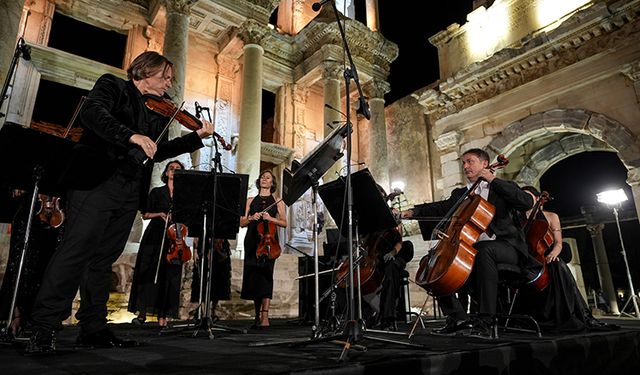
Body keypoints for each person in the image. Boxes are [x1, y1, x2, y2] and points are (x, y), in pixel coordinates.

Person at [26, 51, 215, 354]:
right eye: (165, 76)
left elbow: (158, 151)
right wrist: (131, 136)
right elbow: (94, 114)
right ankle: (43, 326)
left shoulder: (155, 111)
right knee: (74, 253)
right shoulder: (113, 86)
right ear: (142, 71)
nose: (170, 83)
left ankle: (93, 328)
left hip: (129, 190)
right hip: (97, 183)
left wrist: (195, 138)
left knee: (103, 261)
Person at [401, 148, 536, 336]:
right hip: (473, 248)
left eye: (470, 161)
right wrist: (413, 212)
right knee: (430, 266)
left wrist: (492, 180)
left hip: (507, 247)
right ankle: (457, 317)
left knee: (483, 250)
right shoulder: (461, 194)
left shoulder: (503, 187)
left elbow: (526, 203)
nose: (465, 166)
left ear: (485, 164)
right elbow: (440, 207)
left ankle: (486, 320)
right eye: (463, 162)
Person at [519, 186, 615, 332]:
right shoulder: (517, 218)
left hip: (546, 257)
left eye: (528, 196)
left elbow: (558, 243)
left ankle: (562, 315)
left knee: (557, 266)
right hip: (526, 259)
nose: (524, 199)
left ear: (538, 199)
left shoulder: (551, 216)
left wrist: (554, 253)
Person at [128, 160, 188, 328]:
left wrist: (189, 244)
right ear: (166, 172)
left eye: (178, 169)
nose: (174, 171)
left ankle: (164, 316)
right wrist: (159, 214)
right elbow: (145, 214)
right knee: (148, 273)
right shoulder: (156, 192)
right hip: (155, 236)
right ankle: (142, 312)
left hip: (175, 240)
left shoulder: (184, 197)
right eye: (171, 168)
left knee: (170, 277)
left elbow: (189, 222)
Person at [0, 190, 64, 339]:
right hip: (29, 204)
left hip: (58, 209)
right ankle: (15, 314)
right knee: (20, 262)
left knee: (48, 265)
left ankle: (39, 319)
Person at [239, 170, 287, 329]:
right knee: (253, 277)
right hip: (252, 240)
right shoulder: (250, 200)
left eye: (267, 178)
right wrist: (252, 218)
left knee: (266, 276)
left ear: (272, 183)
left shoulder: (278, 201)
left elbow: (284, 223)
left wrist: (270, 218)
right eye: (262, 177)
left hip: (270, 241)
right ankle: (256, 314)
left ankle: (265, 315)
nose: (264, 179)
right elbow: (242, 223)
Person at [190, 237, 232, 322]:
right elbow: (196, 234)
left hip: (219, 245)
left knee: (218, 280)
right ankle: (204, 311)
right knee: (202, 278)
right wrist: (195, 250)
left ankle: (213, 310)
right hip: (204, 245)